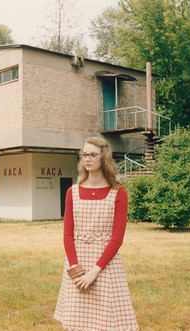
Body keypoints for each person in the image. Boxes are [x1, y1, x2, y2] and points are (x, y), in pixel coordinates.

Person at [54, 136, 139, 330]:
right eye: (84, 155)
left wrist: (94, 271)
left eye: (93, 154)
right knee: (78, 320)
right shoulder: (72, 192)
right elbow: (68, 234)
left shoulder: (118, 193)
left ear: (104, 157)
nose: (87, 159)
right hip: (78, 264)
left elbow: (117, 239)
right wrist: (76, 270)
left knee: (105, 321)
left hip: (105, 266)